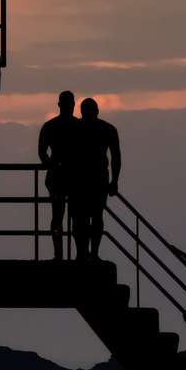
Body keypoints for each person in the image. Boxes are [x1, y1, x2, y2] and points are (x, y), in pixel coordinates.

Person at [70, 98, 121, 261]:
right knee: (91, 217)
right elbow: (116, 158)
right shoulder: (107, 129)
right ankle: (90, 253)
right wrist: (114, 181)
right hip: (93, 179)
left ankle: (84, 253)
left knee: (82, 218)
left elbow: (116, 158)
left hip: (83, 179)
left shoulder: (75, 128)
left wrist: (114, 181)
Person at [37, 91, 77, 260]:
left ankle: (59, 254)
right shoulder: (79, 126)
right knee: (75, 217)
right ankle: (79, 254)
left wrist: (52, 165)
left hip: (59, 176)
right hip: (74, 176)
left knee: (58, 217)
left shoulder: (50, 126)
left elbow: (42, 153)